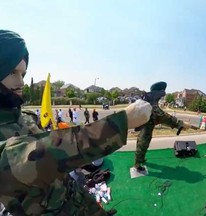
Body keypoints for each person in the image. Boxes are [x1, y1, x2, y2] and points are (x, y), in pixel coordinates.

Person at [0, 30, 152, 216]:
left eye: (23, 74)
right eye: (12, 72)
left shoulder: (25, 117)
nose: (21, 82)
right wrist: (122, 121)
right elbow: (35, 158)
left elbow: (53, 154)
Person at [134, 81, 191, 171]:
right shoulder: (152, 102)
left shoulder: (150, 99)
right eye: (162, 93)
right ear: (158, 92)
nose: (162, 95)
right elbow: (163, 116)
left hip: (147, 126)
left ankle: (141, 159)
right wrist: (180, 124)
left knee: (144, 143)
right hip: (145, 127)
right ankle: (137, 164)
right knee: (142, 144)